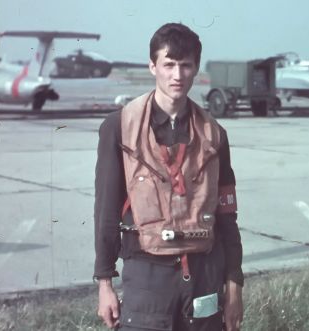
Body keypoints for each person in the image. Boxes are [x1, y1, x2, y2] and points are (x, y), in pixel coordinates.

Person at [94, 23, 243, 331]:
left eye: (186, 65)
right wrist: (104, 282)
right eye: (169, 65)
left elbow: (227, 216)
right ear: (153, 67)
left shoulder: (215, 135)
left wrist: (234, 284)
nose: (178, 75)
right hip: (146, 280)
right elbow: (106, 209)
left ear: (196, 68)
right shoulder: (119, 128)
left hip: (204, 276)